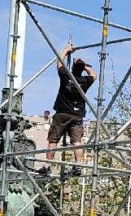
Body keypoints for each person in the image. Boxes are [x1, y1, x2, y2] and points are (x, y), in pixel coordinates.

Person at [38, 44, 96, 178]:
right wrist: (85, 66)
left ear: (73, 68)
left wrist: (66, 50)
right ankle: (79, 165)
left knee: (53, 140)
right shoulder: (85, 81)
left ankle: (48, 165)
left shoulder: (66, 75)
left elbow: (59, 62)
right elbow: (94, 75)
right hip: (77, 114)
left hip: (62, 113)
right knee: (77, 141)